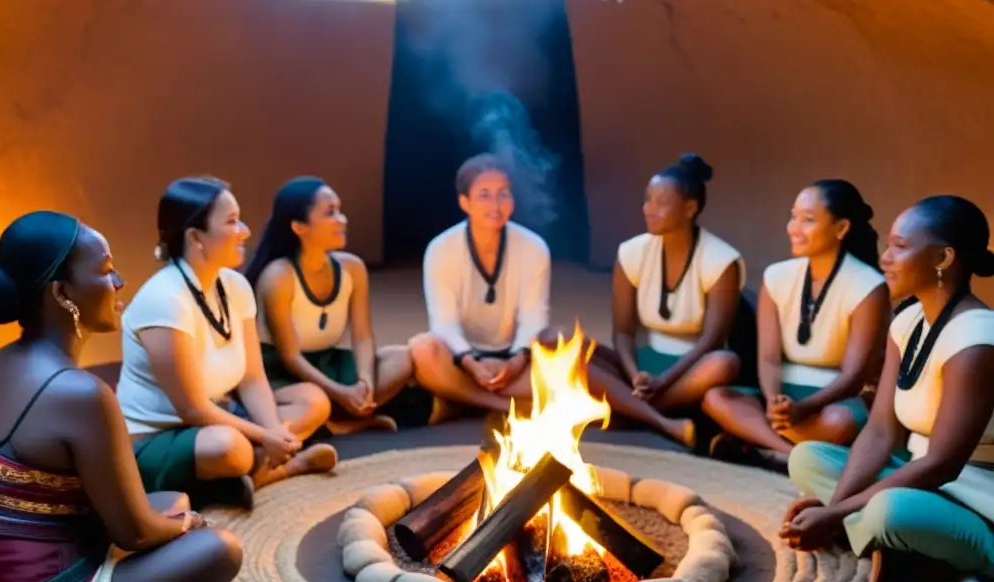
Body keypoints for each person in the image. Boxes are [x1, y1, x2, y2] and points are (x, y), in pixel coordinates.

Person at [0, 211, 241, 582]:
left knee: (172, 498)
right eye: (105, 269)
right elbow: (134, 532)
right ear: (61, 294)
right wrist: (189, 526)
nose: (118, 280)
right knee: (218, 548)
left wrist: (173, 517)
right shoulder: (81, 394)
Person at [782, 195, 994, 582]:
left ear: (942, 259)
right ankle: (897, 545)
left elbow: (943, 465)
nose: (885, 258)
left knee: (890, 510)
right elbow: (880, 431)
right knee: (807, 457)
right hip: (918, 481)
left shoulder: (977, 337)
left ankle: (939, 557)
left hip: (978, 501)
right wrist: (838, 507)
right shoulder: (908, 321)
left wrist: (833, 515)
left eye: (900, 246)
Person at [116, 177, 335, 509]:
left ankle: (260, 467)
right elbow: (191, 409)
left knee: (313, 400)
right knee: (230, 448)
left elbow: (252, 378)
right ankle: (274, 467)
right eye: (232, 221)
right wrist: (265, 436)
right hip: (155, 437)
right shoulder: (164, 299)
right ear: (195, 238)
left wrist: (275, 430)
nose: (245, 231)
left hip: (218, 413)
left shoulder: (234, 285)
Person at [703, 180, 889, 466]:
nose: (794, 228)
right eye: (793, 217)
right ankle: (789, 455)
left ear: (841, 229)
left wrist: (804, 408)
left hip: (830, 401)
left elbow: (854, 376)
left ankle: (762, 445)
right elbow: (768, 356)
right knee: (716, 398)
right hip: (782, 397)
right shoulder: (776, 276)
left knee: (840, 422)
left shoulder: (869, 286)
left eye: (808, 220)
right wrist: (774, 399)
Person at [578, 153, 742, 447]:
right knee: (563, 345)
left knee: (724, 363)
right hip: (644, 364)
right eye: (647, 200)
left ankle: (628, 410)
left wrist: (663, 381)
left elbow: (712, 341)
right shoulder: (631, 252)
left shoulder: (721, 260)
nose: (648, 209)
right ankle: (659, 417)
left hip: (694, 368)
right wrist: (633, 374)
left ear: (690, 208)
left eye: (661, 203)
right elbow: (623, 332)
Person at [245, 177, 429, 434]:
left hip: (327, 362)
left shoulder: (352, 268)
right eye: (330, 213)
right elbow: (290, 356)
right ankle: (339, 419)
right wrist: (341, 393)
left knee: (401, 359)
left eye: (339, 211)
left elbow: (363, 336)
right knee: (313, 400)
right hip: (283, 372)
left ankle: (340, 420)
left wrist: (365, 381)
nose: (342, 219)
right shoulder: (279, 277)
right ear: (299, 227)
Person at [409, 154, 551, 416]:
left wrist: (517, 360)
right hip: (462, 361)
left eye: (503, 194)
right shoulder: (441, 249)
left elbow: (534, 318)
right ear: (465, 202)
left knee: (563, 348)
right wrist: (471, 362)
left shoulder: (534, 247)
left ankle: (460, 399)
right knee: (422, 351)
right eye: (485, 195)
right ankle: (504, 407)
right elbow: (443, 324)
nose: (496, 205)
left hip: (515, 360)